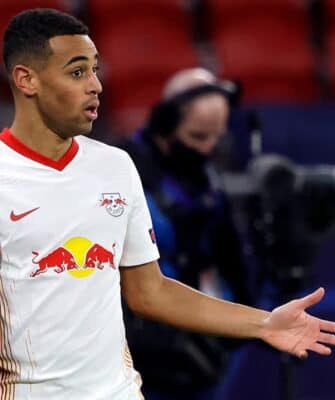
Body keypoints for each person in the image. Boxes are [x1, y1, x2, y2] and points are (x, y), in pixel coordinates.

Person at [0, 9, 335, 400]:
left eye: (96, 70)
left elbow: (150, 292)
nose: (96, 86)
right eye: (77, 72)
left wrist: (264, 323)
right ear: (27, 80)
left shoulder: (115, 167)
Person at [119, 68, 254, 399]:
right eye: (197, 137)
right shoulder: (122, 171)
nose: (207, 148)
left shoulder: (208, 181)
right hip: (135, 353)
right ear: (166, 124)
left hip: (194, 344)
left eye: (215, 137)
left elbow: (230, 258)